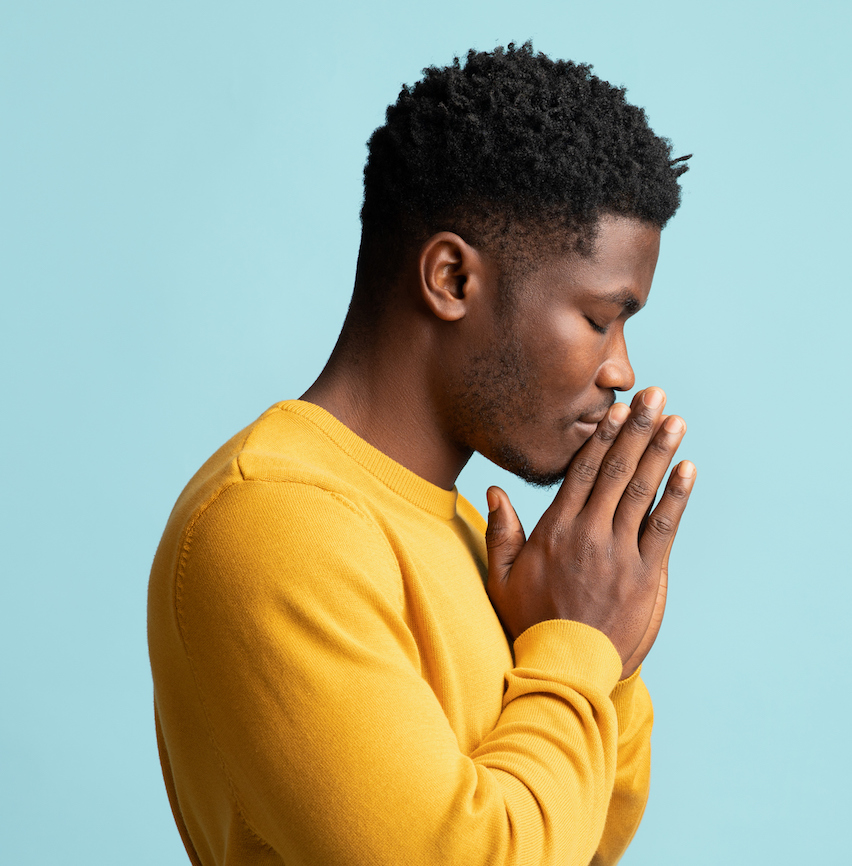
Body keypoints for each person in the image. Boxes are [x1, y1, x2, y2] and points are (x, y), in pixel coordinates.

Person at [146, 42, 695, 866]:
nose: (621, 370)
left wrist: (600, 640)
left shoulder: (477, 543)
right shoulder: (273, 523)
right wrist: (579, 642)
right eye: (597, 319)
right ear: (451, 279)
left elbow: (581, 842)